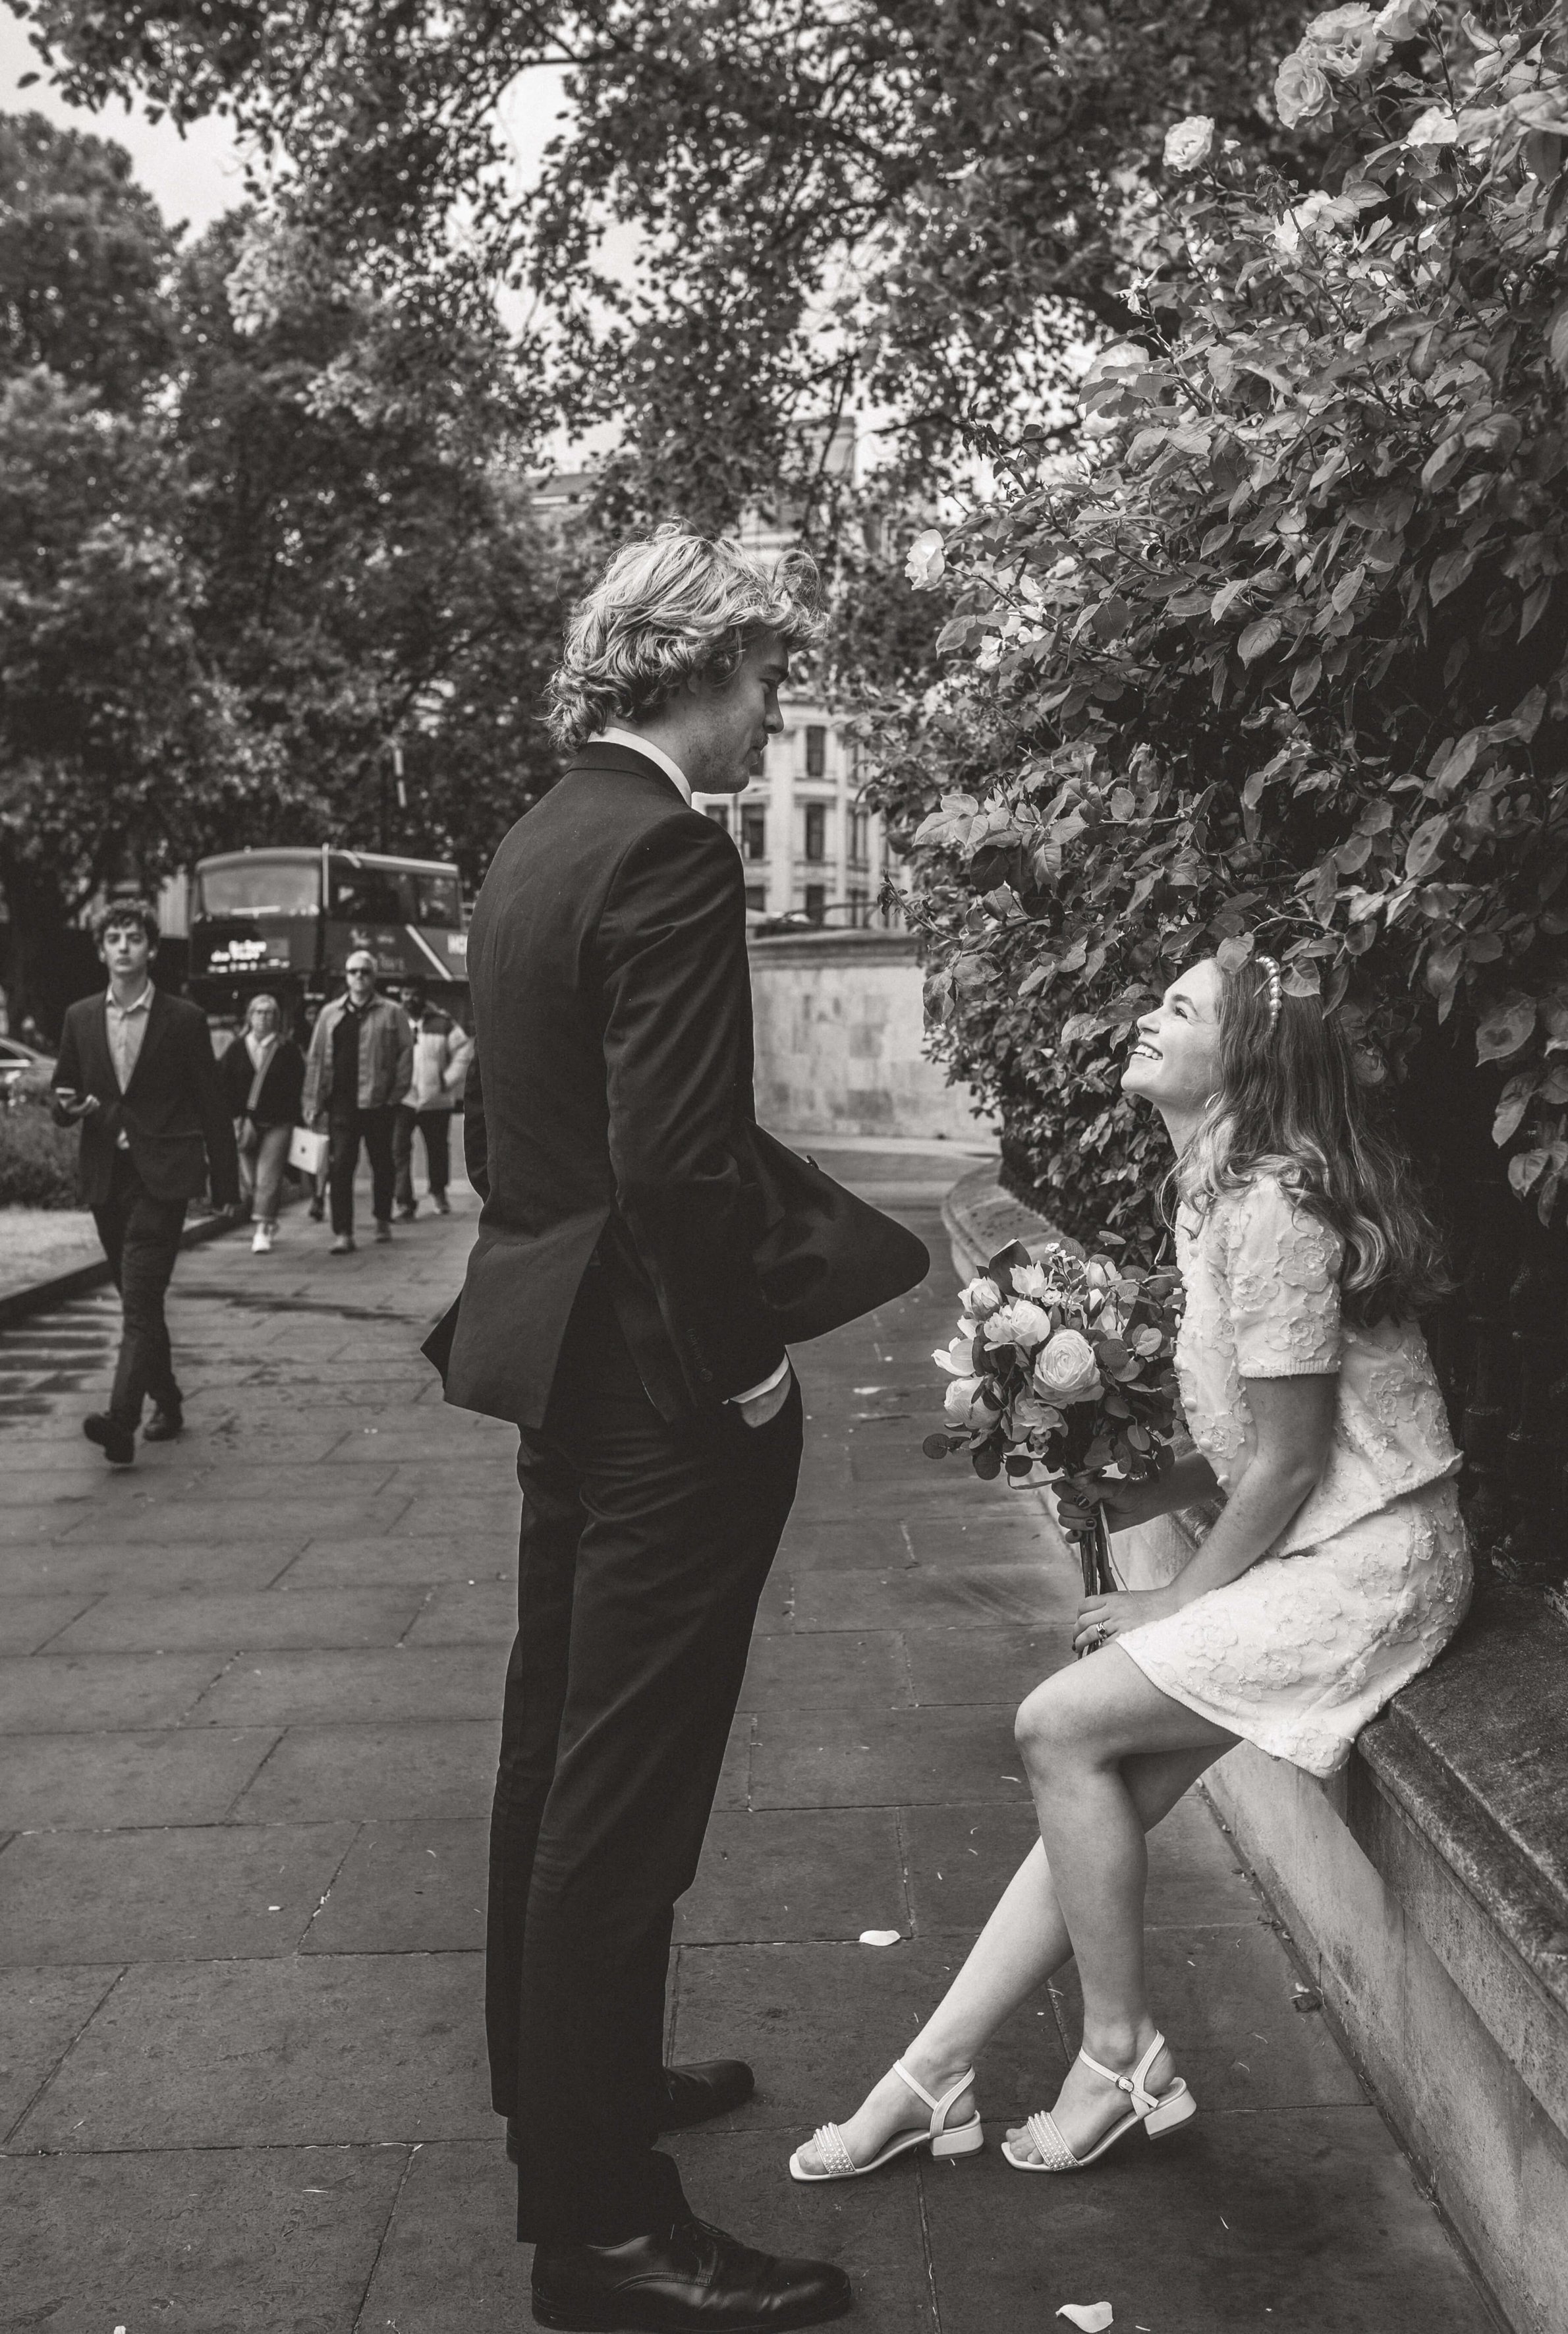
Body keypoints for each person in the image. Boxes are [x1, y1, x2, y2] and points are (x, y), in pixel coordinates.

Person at [791, 946, 1469, 2185]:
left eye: (1181, 1008)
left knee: (1058, 1727)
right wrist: (1138, 1491)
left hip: (1371, 1561)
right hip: (1322, 1538)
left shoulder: (1276, 1209)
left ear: (1246, 1062)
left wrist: (1172, 1594)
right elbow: (1262, 1441)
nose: (1149, 1018)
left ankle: (1118, 2053)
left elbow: (1294, 1460)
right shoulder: (1219, 1195)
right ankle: (930, 2072)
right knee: (1091, 1794)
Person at [435, 525, 852, 2333]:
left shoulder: (537, 837)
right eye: (766, 677)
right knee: (621, 1795)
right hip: (661, 1387)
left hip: (555, 1359)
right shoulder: (670, 851)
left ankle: (568, 2091)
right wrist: (748, 1366)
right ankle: (601, 2230)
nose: (772, 714)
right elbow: (678, 1168)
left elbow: (534, 1137)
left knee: (554, 1757)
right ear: (698, 665)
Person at [51, 898, 238, 1464]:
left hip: (165, 1177)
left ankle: (121, 1421)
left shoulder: (184, 1019)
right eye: (114, 939)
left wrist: (227, 1185)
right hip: (107, 1177)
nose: (124, 947)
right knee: (141, 1302)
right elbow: (62, 1092)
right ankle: (169, 1401)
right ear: (102, 951)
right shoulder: (80, 1017)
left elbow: (212, 1104)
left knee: (138, 1299)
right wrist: (68, 1108)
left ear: (151, 949)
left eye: (134, 938)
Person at [302, 950, 412, 1255]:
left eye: (365, 971)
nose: (359, 977)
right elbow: (316, 1059)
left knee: (383, 1164)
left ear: (374, 977)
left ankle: (382, 1219)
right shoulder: (330, 1014)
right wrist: (312, 1100)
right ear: (346, 977)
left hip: (379, 1103)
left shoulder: (392, 1012)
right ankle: (343, 1233)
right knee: (340, 1167)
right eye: (353, 972)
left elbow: (406, 1053)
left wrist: (396, 1094)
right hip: (341, 1104)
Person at [219, 993, 306, 1253]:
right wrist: (233, 1116)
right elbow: (223, 1083)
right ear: (250, 1016)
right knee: (252, 1180)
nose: (263, 1017)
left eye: (269, 1013)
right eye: (258, 1012)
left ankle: (261, 1230)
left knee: (268, 1176)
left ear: (276, 1018)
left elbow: (296, 1085)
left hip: (278, 1123)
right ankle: (269, 1218)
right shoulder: (236, 1048)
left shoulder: (287, 1049)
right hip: (245, 1123)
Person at [392, 981, 472, 1219]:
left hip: (435, 1099)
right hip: (403, 1099)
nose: (409, 999)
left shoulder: (443, 1022)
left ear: (424, 997)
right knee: (398, 1150)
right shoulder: (395, 1020)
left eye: (414, 994)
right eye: (405, 993)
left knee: (437, 1150)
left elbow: (464, 1051)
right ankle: (404, 1201)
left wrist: (446, 1081)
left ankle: (438, 1193)